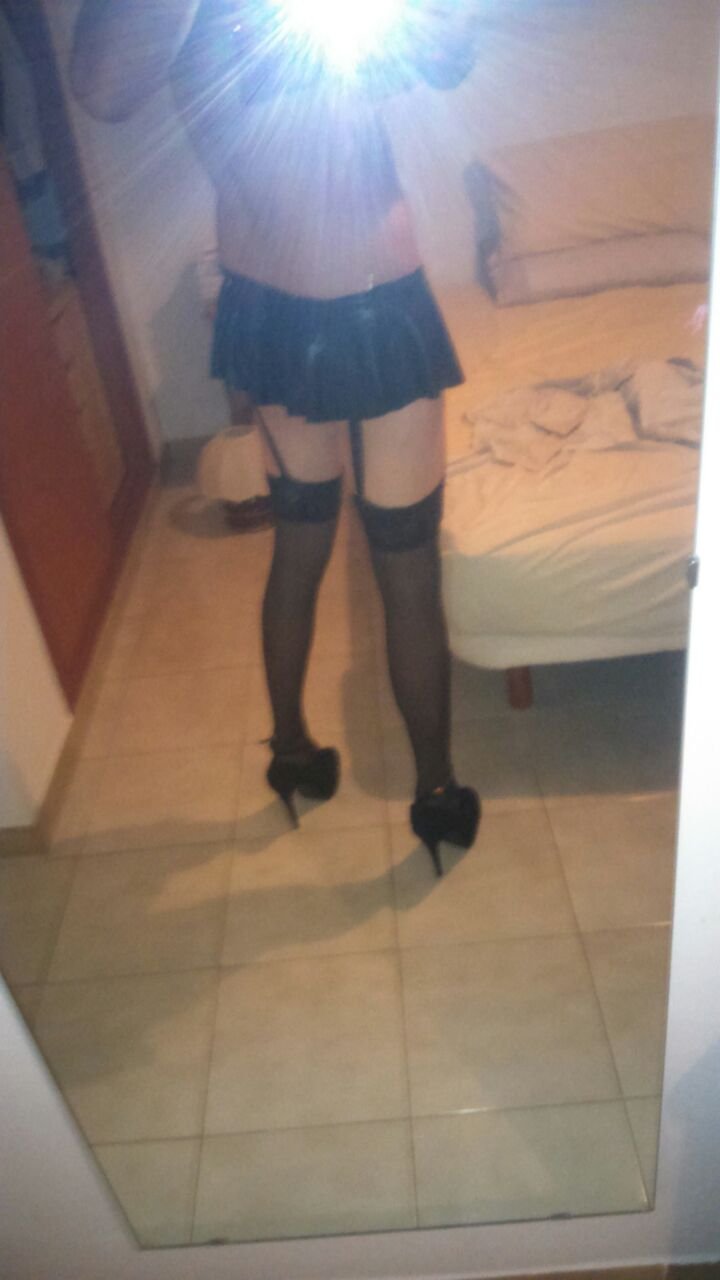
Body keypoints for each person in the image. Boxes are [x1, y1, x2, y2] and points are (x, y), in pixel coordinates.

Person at [70, 0, 481, 875]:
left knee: (334, 545)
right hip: (348, 306)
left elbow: (448, 56)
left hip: (299, 307)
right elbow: (101, 92)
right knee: (387, 559)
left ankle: (302, 755)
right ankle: (432, 794)